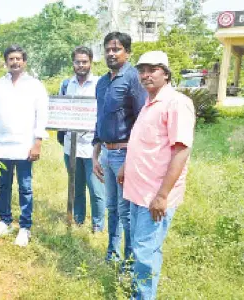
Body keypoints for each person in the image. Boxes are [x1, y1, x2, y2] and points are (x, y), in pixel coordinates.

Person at [118, 51, 195, 299]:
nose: (146, 74)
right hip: (138, 190)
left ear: (166, 73)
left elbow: (181, 151)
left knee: (143, 251)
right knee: (146, 249)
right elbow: (144, 143)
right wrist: (125, 167)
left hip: (155, 195)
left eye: (153, 69)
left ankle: (142, 296)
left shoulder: (176, 103)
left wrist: (162, 195)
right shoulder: (149, 103)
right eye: (142, 70)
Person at [92, 32, 147, 265]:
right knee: (111, 208)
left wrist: (130, 160)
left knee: (126, 213)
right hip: (105, 153)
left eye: (117, 49)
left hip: (125, 154)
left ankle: (129, 262)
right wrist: (95, 154)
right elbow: (100, 118)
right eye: (108, 49)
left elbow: (142, 120)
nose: (111, 53)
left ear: (127, 52)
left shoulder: (133, 78)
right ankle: (111, 255)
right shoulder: (103, 82)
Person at [0, 45, 48, 247]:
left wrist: (37, 141)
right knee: (3, 186)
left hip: (25, 145)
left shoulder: (35, 85)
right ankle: (4, 221)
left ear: (24, 61)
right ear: (6, 62)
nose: (15, 62)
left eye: (18, 59)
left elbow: (42, 115)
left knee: (25, 187)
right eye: (11, 59)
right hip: (2, 145)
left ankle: (24, 227)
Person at [58, 46, 105, 230]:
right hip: (71, 146)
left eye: (84, 62)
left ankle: (98, 225)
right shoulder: (66, 84)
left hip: (93, 147)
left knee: (96, 189)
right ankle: (78, 219)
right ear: (73, 63)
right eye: (77, 61)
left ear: (91, 63)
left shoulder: (100, 84)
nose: (81, 65)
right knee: (76, 186)